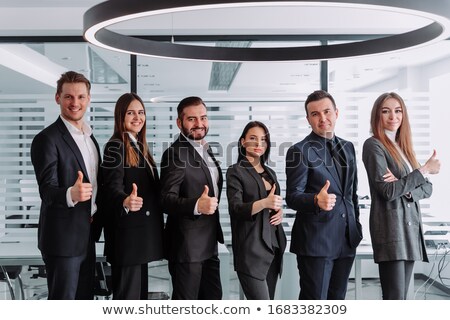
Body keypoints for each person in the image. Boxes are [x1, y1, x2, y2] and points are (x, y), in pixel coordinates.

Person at [30, 71, 102, 299]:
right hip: (62, 241)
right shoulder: (47, 139)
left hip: (86, 236)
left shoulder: (90, 139)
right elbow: (47, 190)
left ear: (88, 99)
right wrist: (71, 193)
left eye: (81, 97)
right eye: (69, 97)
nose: (75, 103)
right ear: (57, 98)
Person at [285, 90, 362, 300]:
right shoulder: (299, 150)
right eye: (315, 114)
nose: (322, 118)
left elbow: (351, 194)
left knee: (337, 301)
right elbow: (292, 196)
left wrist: (356, 227)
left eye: (327, 111)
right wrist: (315, 200)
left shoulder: (348, 147)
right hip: (316, 243)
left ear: (336, 112)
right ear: (308, 119)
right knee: (315, 302)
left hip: (346, 240)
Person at [362, 92, 440, 300]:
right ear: (377, 116)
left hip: (409, 231)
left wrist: (404, 188)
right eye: (386, 111)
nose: (393, 117)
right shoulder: (373, 145)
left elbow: (428, 188)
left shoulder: (404, 148)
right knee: (394, 299)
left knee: (402, 300)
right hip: (391, 230)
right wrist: (424, 170)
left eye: (398, 111)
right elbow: (387, 192)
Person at [101, 93, 164, 300]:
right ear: (120, 116)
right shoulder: (115, 146)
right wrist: (125, 200)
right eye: (131, 113)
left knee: (139, 298)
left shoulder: (138, 146)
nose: (137, 117)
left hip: (139, 237)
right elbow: (112, 187)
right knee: (128, 299)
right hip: (127, 239)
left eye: (141, 112)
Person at [160, 96, 224, 300]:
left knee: (213, 300)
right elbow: (165, 199)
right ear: (179, 123)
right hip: (187, 248)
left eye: (203, 118)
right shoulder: (175, 154)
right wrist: (197, 205)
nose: (199, 124)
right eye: (192, 119)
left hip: (209, 244)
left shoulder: (205, 149)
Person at [226, 121, 287, 300]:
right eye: (253, 138)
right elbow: (235, 208)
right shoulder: (236, 171)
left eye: (263, 140)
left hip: (273, 246)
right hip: (251, 250)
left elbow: (273, 203)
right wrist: (264, 203)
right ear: (243, 142)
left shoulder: (271, 173)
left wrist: (278, 211)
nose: (259, 144)